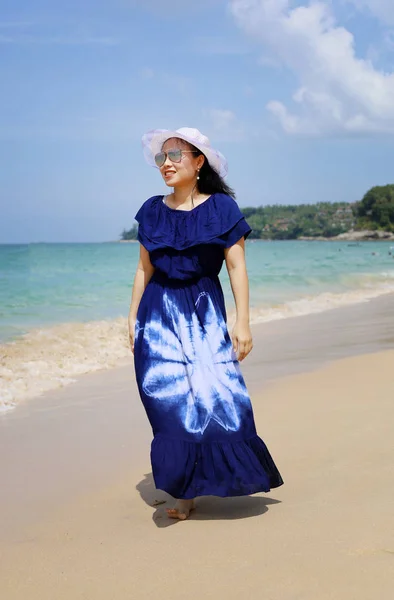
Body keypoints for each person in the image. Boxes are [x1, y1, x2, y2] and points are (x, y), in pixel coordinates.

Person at [128, 127, 283, 520]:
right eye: (162, 157)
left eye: (176, 155)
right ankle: (183, 492)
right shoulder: (151, 209)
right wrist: (131, 317)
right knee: (167, 402)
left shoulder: (222, 210)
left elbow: (236, 267)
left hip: (203, 310)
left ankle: (216, 479)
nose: (166, 163)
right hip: (157, 315)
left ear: (199, 162)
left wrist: (242, 322)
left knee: (217, 397)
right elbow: (143, 268)